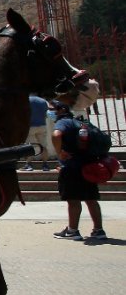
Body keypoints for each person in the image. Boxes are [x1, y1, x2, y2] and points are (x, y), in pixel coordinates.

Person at [50, 96, 107, 241]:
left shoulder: (63, 122)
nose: (51, 112)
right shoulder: (79, 122)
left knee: (73, 200)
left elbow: (56, 135)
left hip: (71, 168)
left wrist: (59, 153)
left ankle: (73, 231)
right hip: (87, 166)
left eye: (53, 110)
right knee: (91, 199)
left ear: (62, 110)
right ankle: (99, 230)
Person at [20, 95, 53, 171]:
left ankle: (29, 165)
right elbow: (47, 113)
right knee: (44, 146)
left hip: (30, 126)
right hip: (42, 125)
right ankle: (45, 165)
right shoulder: (43, 101)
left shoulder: (26, 99)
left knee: (30, 146)